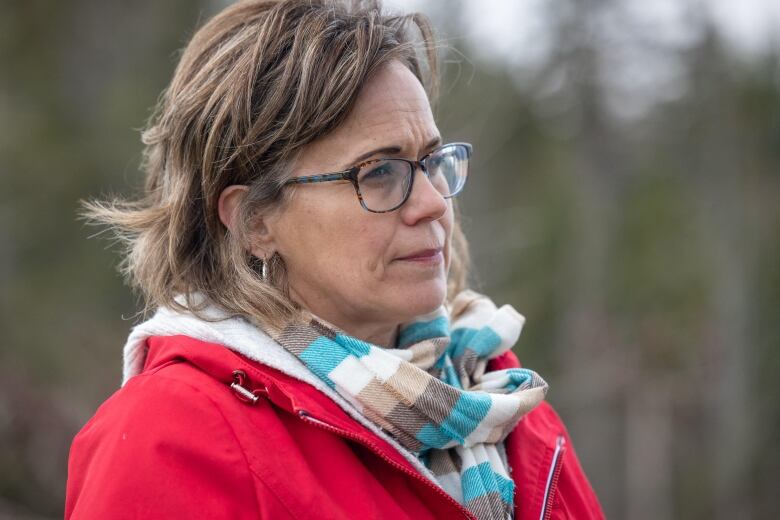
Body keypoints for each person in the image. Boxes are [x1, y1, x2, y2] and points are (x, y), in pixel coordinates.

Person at [65, 0, 604, 518]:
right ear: (256, 221)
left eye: (431, 161)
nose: (434, 203)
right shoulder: (174, 441)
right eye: (378, 173)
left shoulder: (502, 404)